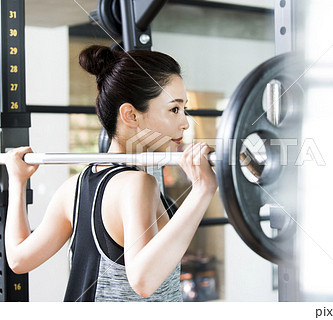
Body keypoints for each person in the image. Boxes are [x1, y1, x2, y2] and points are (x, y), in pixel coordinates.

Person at [4, 45, 217, 302]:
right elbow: (144, 281)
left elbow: (18, 259)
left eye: (185, 110)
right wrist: (202, 190)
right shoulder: (138, 184)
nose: (185, 122)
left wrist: (17, 182)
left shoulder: (75, 186)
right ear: (130, 115)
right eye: (174, 109)